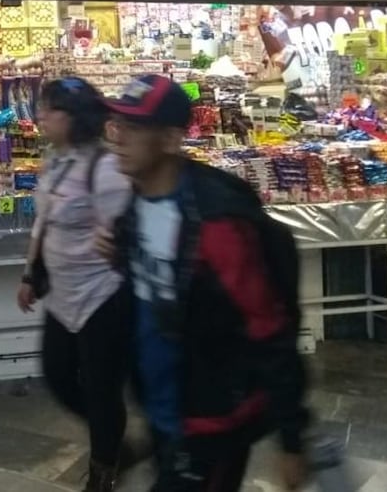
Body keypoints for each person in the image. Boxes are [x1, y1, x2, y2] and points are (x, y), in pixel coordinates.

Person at [96, 75, 308, 492]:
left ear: (172, 139)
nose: (118, 139)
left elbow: (269, 328)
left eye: (134, 128)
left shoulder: (219, 224)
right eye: (116, 125)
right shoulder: (137, 201)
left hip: (214, 420)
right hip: (164, 410)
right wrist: (122, 256)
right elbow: (168, 293)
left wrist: (292, 439)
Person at [16, 77, 133, 492]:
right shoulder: (55, 160)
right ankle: (115, 436)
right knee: (59, 375)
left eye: (52, 109)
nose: (42, 116)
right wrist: (30, 273)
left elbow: (124, 237)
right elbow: (43, 221)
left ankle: (105, 469)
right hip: (61, 297)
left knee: (102, 389)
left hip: (102, 297)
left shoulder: (105, 169)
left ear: (75, 118)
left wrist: (115, 245)